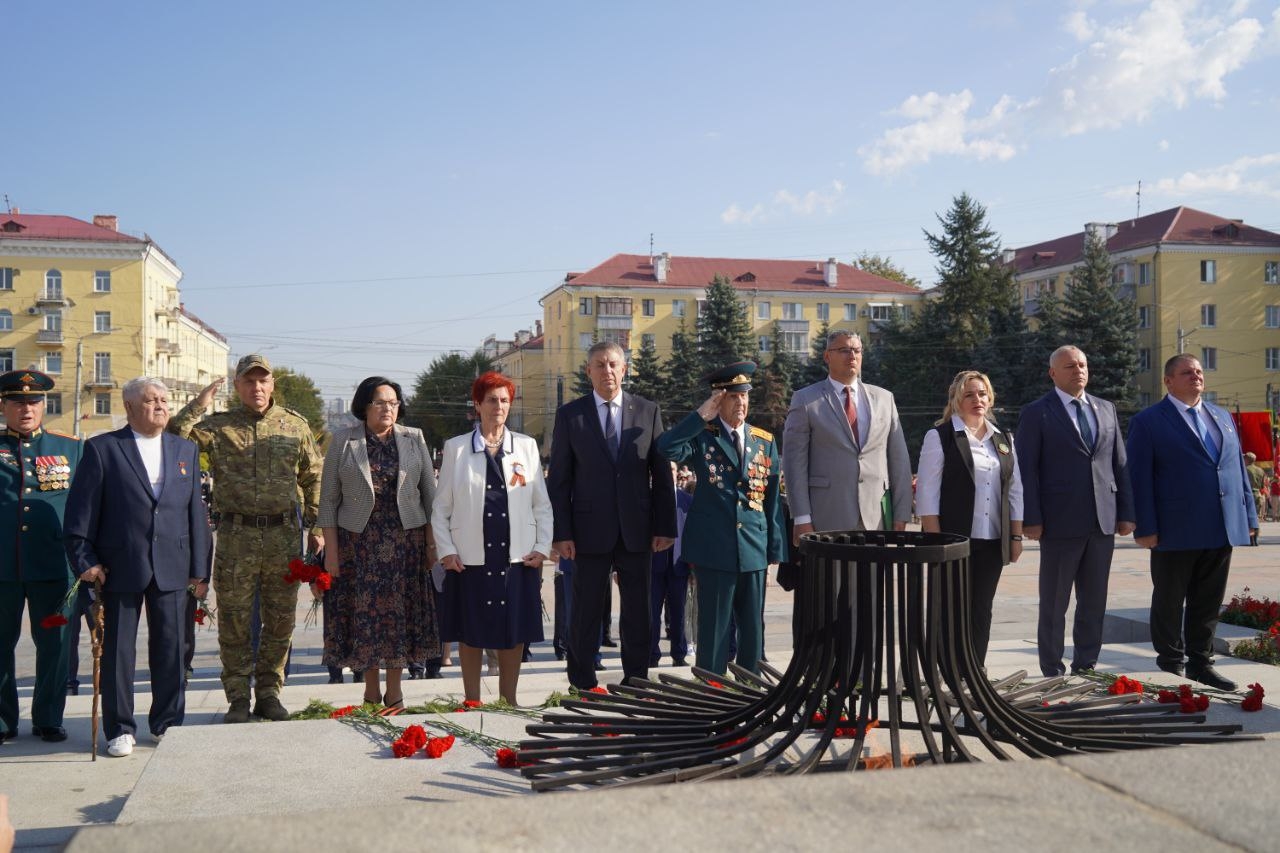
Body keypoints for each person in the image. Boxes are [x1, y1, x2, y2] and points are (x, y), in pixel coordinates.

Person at [169, 354, 322, 723]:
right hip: (236, 536)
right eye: (249, 381)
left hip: (283, 536)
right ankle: (238, 696)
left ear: (272, 385)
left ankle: (269, 692)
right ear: (237, 386)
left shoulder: (294, 425)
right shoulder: (217, 427)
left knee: (281, 618)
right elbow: (174, 439)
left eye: (263, 381)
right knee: (234, 620)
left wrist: (317, 529)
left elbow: (313, 476)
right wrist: (197, 404)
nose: (257, 388)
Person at [63, 378, 211, 757]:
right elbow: (81, 515)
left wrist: (200, 570)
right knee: (116, 652)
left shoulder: (185, 450)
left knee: (172, 648)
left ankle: (167, 722)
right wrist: (85, 561)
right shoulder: (103, 450)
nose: (161, 406)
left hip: (173, 566)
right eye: (151, 400)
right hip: (119, 565)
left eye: (164, 400)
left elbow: (196, 513)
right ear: (130, 407)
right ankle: (120, 728)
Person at [548, 341, 676, 690]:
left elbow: (661, 473)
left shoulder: (648, 411)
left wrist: (665, 526)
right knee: (586, 609)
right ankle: (582, 681)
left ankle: (636, 680)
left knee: (638, 611)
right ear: (588, 371)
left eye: (613, 364)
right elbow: (559, 480)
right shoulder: (570, 415)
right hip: (587, 530)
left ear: (625, 369)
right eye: (599, 365)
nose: (607, 371)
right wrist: (561, 533)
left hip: (638, 528)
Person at [1126, 354, 1257, 691]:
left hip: (1221, 525)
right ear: (1168, 381)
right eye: (1187, 372)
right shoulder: (1149, 421)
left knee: (1208, 599)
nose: (1195, 376)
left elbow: (1236, 470)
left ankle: (1201, 663)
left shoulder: (1221, 416)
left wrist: (1250, 516)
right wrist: (1145, 527)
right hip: (1174, 528)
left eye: (1199, 371)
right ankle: (1171, 665)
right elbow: (1139, 478)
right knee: (1170, 599)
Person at [657, 362, 785, 674]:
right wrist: (700, 416)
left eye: (744, 397)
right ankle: (712, 694)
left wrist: (773, 549)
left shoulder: (764, 440)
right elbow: (666, 448)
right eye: (732, 397)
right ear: (718, 400)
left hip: (752, 547)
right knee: (714, 629)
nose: (740, 403)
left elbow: (771, 499)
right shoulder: (703, 436)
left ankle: (750, 690)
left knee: (753, 630)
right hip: (713, 551)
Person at [432, 372, 552, 705]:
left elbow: (542, 505)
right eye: (491, 400)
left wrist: (542, 547)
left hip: (517, 557)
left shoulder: (525, 447)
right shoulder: (456, 449)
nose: (498, 406)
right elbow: (440, 509)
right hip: (469, 559)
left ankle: (508, 699)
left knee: (513, 630)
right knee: (471, 631)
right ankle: (472, 699)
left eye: (504, 400)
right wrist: (446, 551)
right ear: (477, 405)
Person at [319, 376, 439, 708]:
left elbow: (431, 497)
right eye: (380, 402)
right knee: (366, 618)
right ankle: (371, 690)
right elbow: (328, 500)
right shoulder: (344, 439)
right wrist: (331, 551)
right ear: (364, 405)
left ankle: (396, 690)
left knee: (400, 617)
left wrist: (432, 547)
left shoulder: (414, 439)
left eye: (393, 403)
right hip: (359, 545)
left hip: (406, 543)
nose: (388, 409)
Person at [1016, 346, 1135, 677]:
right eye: (1069, 366)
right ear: (1053, 373)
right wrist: (1032, 518)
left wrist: (1126, 512)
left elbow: (1120, 464)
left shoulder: (1106, 408)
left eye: (1082, 364)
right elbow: (1027, 468)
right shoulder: (1037, 412)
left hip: (1102, 521)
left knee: (1094, 601)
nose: (1078, 370)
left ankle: (1087, 665)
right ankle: (1052, 669)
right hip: (1058, 523)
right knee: (1055, 603)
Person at [916, 370, 1024, 666]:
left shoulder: (1003, 439)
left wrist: (1015, 536)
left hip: (991, 541)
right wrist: (937, 542)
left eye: (983, 394)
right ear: (956, 400)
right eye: (970, 394)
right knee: (951, 608)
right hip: (954, 540)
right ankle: (945, 669)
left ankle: (975, 671)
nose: (978, 400)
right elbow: (927, 494)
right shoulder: (940, 436)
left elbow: (1014, 491)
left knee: (981, 609)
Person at [0, 369, 81, 744]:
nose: (26, 409)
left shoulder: (71, 448)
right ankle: (3, 722)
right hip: (2, 569)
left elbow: (88, 506)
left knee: (55, 647)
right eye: (17, 402)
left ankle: (49, 717)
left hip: (54, 569)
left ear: (43, 404)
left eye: (33, 402)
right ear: (3, 406)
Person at [783, 330, 912, 541]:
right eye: (844, 350)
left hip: (876, 520)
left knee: (873, 575)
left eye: (857, 350)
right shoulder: (805, 400)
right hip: (825, 519)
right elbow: (793, 465)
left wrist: (901, 513)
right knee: (832, 575)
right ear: (827, 356)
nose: (852, 356)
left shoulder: (884, 399)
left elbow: (900, 462)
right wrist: (801, 517)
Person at [650, 462, 693, 667]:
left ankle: (679, 654)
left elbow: (693, 535)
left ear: (678, 474)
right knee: (652, 613)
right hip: (654, 564)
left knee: (678, 613)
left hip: (678, 565)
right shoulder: (649, 498)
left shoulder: (687, 500)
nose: (669, 472)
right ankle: (651, 655)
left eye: (673, 469)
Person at [1244, 453, 1265, 545]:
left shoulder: (1245, 469)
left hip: (1248, 494)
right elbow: (1262, 485)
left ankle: (1250, 539)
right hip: (1258, 494)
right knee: (1256, 517)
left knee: (1248, 517)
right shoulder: (1260, 470)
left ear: (1247, 459)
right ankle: (1255, 539)